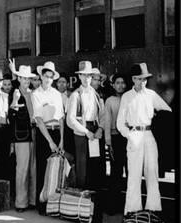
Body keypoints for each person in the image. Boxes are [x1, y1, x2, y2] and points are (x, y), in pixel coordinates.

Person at [117, 63, 171, 215]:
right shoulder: (127, 97)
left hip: (149, 136)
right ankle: (132, 212)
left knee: (152, 173)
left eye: (144, 79)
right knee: (133, 174)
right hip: (134, 134)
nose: (142, 82)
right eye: (139, 79)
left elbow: (167, 111)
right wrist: (130, 136)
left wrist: (158, 118)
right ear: (133, 79)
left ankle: (153, 210)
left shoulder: (151, 95)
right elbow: (120, 123)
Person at [31, 61, 65, 214]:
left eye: (51, 77)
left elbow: (61, 118)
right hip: (44, 133)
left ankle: (54, 203)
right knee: (42, 169)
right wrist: (50, 141)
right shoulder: (36, 94)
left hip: (57, 131)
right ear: (41, 76)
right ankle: (42, 204)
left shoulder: (57, 94)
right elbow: (38, 119)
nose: (48, 80)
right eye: (46, 76)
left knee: (56, 169)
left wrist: (61, 140)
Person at [67, 61, 106, 190]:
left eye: (89, 76)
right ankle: (81, 199)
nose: (87, 78)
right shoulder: (75, 95)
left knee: (94, 164)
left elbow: (102, 114)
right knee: (82, 165)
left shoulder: (96, 94)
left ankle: (94, 202)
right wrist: (85, 131)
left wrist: (100, 128)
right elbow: (70, 120)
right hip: (81, 132)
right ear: (79, 77)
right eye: (83, 75)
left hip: (94, 130)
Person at [8, 65, 37, 212]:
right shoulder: (15, 92)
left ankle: (32, 200)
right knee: (22, 169)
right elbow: (10, 115)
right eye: (24, 78)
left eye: (28, 78)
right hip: (21, 136)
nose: (26, 80)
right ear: (19, 78)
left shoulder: (33, 93)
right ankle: (21, 202)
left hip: (35, 133)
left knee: (33, 168)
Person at [103, 73, 128, 214]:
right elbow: (107, 121)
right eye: (117, 82)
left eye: (123, 82)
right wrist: (108, 141)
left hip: (129, 138)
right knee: (116, 172)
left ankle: (128, 206)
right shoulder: (110, 101)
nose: (120, 85)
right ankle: (113, 205)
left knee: (130, 171)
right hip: (116, 138)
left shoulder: (129, 97)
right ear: (113, 85)